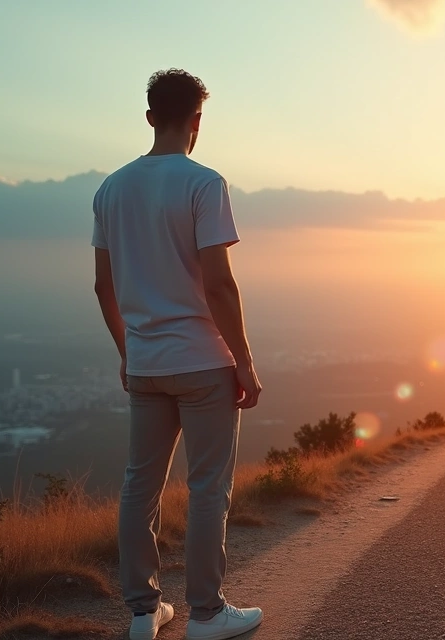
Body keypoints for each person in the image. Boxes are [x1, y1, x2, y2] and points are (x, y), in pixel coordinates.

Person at [92, 68, 263, 640]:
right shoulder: (203, 184)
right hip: (202, 361)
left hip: (145, 363)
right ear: (196, 121)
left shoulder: (111, 189)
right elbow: (218, 285)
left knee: (139, 486)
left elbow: (103, 286)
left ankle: (143, 612)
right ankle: (207, 615)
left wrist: (126, 349)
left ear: (148, 117)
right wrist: (243, 360)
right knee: (208, 486)